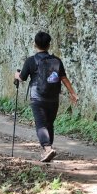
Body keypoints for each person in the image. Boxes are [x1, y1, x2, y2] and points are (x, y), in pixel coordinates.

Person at [14, 31, 78, 162]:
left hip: (37, 97)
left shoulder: (31, 61)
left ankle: (47, 149)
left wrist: (16, 75)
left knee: (41, 124)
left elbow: (22, 78)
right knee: (49, 123)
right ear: (49, 45)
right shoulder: (57, 60)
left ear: (34, 45)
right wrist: (72, 93)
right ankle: (48, 148)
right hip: (53, 97)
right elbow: (63, 78)